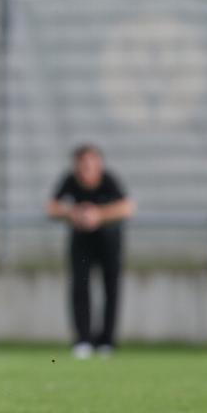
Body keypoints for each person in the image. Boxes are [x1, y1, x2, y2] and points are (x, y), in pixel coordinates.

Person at [46, 144, 135, 358]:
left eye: (92, 162)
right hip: (82, 243)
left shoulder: (109, 180)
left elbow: (127, 207)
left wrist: (98, 215)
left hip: (109, 242)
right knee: (80, 288)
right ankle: (83, 340)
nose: (87, 167)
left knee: (111, 289)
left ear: (98, 163)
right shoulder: (70, 180)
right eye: (83, 163)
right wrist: (73, 213)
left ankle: (107, 342)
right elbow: (51, 207)